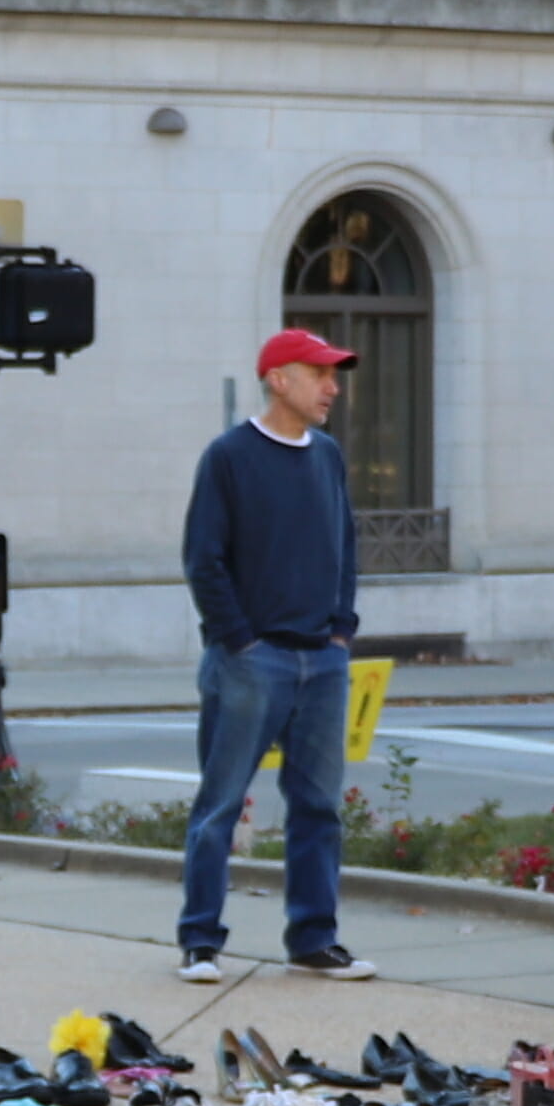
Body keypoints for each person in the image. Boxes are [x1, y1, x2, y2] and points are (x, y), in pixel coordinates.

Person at [175, 324, 374, 989]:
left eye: (334, 375)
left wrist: (341, 631)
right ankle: (200, 942)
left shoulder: (328, 456)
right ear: (278, 380)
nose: (332, 388)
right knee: (220, 806)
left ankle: (314, 942)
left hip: (323, 662)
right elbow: (204, 559)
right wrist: (240, 640)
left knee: (319, 807)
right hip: (250, 662)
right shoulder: (229, 457)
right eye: (319, 374)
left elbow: (344, 547)